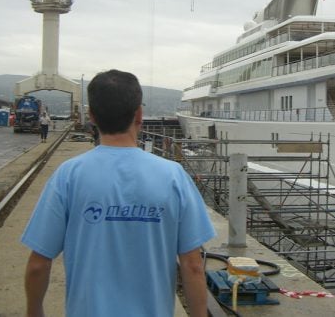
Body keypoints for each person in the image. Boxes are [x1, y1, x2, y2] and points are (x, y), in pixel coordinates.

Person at [22, 70, 215, 317]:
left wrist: (34, 311)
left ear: (91, 116)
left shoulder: (68, 175)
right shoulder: (174, 176)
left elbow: (39, 264)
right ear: (139, 114)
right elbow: (193, 265)